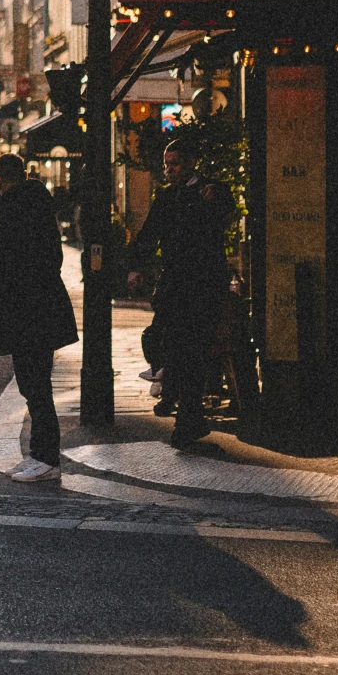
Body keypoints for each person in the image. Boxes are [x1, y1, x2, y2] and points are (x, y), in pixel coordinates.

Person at [0, 151, 78, 482]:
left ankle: (46, 457)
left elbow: (7, 263)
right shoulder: (36, 205)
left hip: (26, 311)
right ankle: (39, 453)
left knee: (34, 384)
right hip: (39, 308)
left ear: (1, 180)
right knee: (35, 383)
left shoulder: (14, 209)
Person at [127, 133, 232, 450]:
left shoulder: (210, 191)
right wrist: (135, 267)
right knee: (168, 341)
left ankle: (186, 417)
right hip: (175, 284)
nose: (169, 169)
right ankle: (177, 398)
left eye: (174, 164)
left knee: (194, 351)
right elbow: (149, 234)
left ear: (189, 163)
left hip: (202, 285)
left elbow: (225, 211)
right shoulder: (167, 197)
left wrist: (216, 200)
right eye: (166, 165)